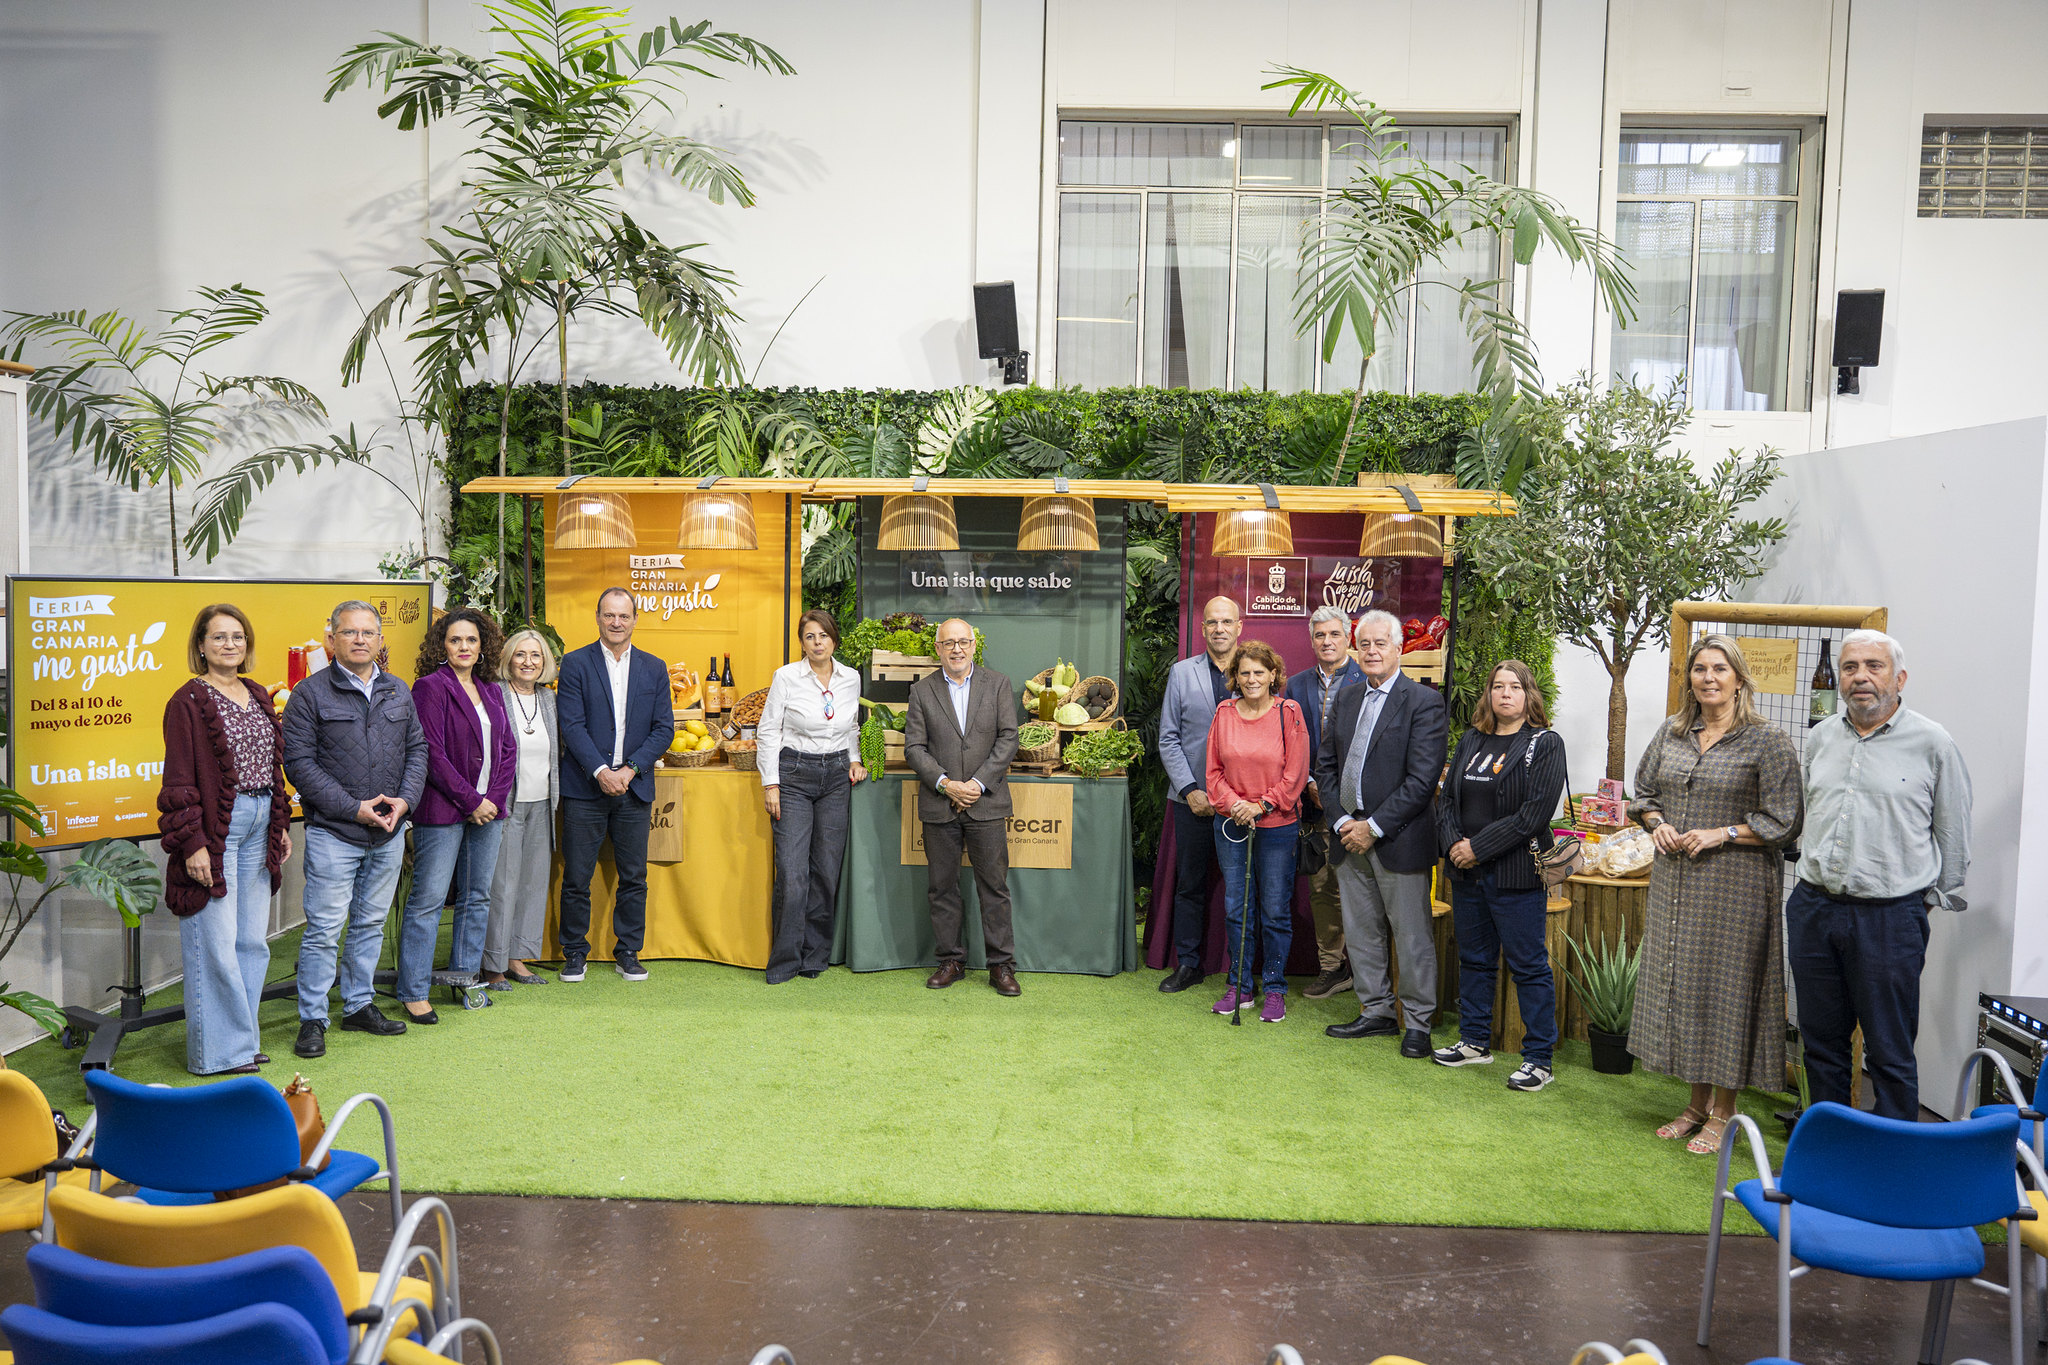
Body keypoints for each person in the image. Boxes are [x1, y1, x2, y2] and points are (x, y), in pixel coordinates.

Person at [1629, 633, 1803, 1154]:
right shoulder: (1672, 733)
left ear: (1740, 679)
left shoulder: (1767, 741)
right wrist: (1658, 824)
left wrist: (1721, 833)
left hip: (1737, 888)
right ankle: (1695, 1104)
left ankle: (1725, 1111)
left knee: (1728, 992)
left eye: (1720, 669)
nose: (1709, 678)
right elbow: (1644, 795)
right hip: (1676, 885)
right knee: (1687, 985)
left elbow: (1784, 822)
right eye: (1700, 669)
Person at [1790, 629, 1970, 1121]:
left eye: (1874, 666)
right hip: (1814, 909)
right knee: (1821, 1045)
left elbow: (1954, 838)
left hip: (1891, 919)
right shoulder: (1820, 738)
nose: (1860, 677)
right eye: (1850, 667)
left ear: (1900, 678)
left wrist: (1921, 904)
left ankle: (1892, 1157)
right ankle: (1830, 1150)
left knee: (1889, 1052)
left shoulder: (1933, 743)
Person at [283, 600, 426, 1059]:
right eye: (349, 632)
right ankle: (313, 1018)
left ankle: (359, 1004)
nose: (360, 639)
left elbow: (417, 750)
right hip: (334, 833)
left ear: (381, 640)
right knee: (324, 929)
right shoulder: (309, 694)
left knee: (370, 923)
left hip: (388, 832)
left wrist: (405, 801)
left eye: (368, 632)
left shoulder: (398, 690)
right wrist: (354, 809)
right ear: (332, 639)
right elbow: (299, 765)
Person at [158, 604, 293, 1076]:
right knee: (214, 942)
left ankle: (242, 1043)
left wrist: (279, 824)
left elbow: (273, 767)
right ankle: (217, 1054)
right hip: (217, 829)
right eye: (218, 637)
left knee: (251, 942)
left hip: (260, 823)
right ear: (201, 646)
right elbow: (178, 779)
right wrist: (193, 843)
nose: (229, 644)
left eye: (237, 636)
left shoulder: (256, 693)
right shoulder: (187, 701)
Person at [1314, 609, 1448, 1059]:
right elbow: (1326, 768)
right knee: (1361, 932)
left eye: (1380, 644)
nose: (1371, 651)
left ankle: (1418, 1023)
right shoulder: (1347, 698)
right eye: (1365, 644)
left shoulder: (1423, 702)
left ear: (1398, 649)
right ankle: (1376, 1012)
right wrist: (1341, 822)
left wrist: (1371, 827)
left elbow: (1422, 780)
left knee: (1411, 937)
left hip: (1398, 839)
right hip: (1346, 837)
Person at [1432, 660, 1569, 1091]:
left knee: (1528, 966)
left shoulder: (1544, 743)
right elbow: (1447, 800)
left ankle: (1539, 1059)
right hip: (1467, 874)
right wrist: (1454, 845)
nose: (1505, 694)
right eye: (1497, 686)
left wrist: (1477, 847)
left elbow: (1533, 815)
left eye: (1515, 687)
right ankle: (1474, 1041)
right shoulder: (1473, 739)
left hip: (1516, 874)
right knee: (1475, 959)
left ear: (1529, 695)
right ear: (1488, 694)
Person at [395, 609, 517, 1022]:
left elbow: (507, 749)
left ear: (483, 646)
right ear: (442, 646)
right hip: (444, 811)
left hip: (489, 812)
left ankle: (465, 980)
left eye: (471, 640)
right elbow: (431, 753)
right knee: (428, 900)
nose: (464, 647)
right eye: (455, 640)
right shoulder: (430, 687)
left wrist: (492, 800)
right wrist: (471, 800)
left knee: (477, 897)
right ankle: (413, 990)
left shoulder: (492, 689)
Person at [556, 588, 676, 984]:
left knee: (634, 877)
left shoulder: (654, 667)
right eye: (609, 615)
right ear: (597, 618)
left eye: (624, 616)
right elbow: (571, 725)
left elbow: (664, 729)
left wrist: (630, 770)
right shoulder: (575, 663)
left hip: (633, 788)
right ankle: (574, 952)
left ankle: (628, 951)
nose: (616, 622)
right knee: (577, 877)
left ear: (635, 619)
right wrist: (600, 771)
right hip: (584, 788)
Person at [904, 618, 1021, 996]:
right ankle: (951, 961)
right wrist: (946, 783)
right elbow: (914, 748)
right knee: (942, 888)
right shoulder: (921, 691)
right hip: (940, 804)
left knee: (994, 887)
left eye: (963, 642)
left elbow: (1008, 738)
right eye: (948, 643)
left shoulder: (998, 684)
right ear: (937, 648)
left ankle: (1001, 966)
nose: (956, 649)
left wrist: (976, 783)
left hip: (986, 802)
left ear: (974, 646)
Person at [757, 608, 866, 984]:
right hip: (793, 776)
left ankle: (814, 957)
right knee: (792, 873)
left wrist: (854, 759)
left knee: (826, 871)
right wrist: (771, 783)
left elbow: (852, 727)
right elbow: (768, 730)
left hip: (835, 776)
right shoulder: (786, 676)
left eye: (823, 636)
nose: (817, 643)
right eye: (809, 637)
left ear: (834, 639)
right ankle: (784, 961)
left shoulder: (851, 678)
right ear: (801, 643)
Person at [1204, 641, 1311, 1023]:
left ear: (1273, 675)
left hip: (1277, 827)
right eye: (1245, 672)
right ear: (1236, 676)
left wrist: (1261, 805)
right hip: (1232, 825)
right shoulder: (1224, 713)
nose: (1251, 679)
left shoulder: (1289, 712)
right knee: (1237, 909)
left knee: (1275, 911)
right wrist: (1236, 805)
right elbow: (1213, 772)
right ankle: (1240, 986)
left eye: (1259, 672)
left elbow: (1296, 774)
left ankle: (1275, 988)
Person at [1156, 596, 1245, 993]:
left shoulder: (1254, 670)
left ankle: (1241, 969)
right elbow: (1169, 737)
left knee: (1243, 888)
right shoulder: (1182, 673)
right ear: (1203, 628)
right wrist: (1189, 789)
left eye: (1226, 621)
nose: (1219, 629)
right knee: (1189, 885)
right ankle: (1189, 963)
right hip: (1192, 801)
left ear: (1239, 627)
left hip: (1242, 804)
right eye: (1212, 622)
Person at [1283, 605, 1364, 1000]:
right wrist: (1310, 782)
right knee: (1323, 889)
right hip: (1314, 805)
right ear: (1312, 640)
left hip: (1362, 809)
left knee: (1363, 889)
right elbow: (1289, 741)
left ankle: (1369, 972)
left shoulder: (1368, 678)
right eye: (1320, 635)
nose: (1327, 641)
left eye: (1334, 634)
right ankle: (1333, 968)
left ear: (1348, 637)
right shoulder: (1296, 685)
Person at [483, 628, 560, 989]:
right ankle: (493, 965)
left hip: (543, 802)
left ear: (545, 662)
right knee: (503, 885)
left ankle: (517, 958)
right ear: (508, 659)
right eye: (520, 654)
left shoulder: (548, 699)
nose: (528, 662)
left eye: (536, 655)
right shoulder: (494, 694)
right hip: (506, 804)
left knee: (532, 882)